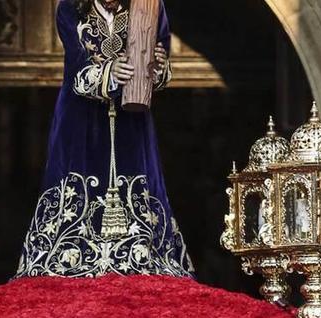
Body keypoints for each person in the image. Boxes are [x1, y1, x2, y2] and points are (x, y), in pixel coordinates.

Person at [15, 0, 193, 278]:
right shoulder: (70, 9)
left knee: (136, 177)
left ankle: (140, 256)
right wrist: (111, 73)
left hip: (131, 120)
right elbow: (76, 64)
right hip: (80, 119)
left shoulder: (148, 7)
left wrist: (156, 65)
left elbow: (157, 63)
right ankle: (71, 257)